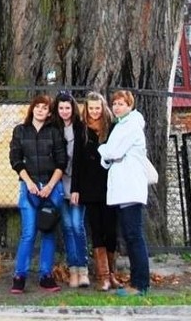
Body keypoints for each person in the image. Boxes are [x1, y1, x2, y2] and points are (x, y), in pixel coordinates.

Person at [8, 93, 67, 294]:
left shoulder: (54, 132)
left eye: (45, 108)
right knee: (29, 232)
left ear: (50, 112)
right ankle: (19, 276)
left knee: (48, 232)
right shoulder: (20, 131)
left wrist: (50, 186)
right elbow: (15, 159)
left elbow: (62, 162)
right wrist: (30, 183)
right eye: (38, 107)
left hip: (52, 188)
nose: (41, 110)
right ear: (33, 108)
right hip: (29, 187)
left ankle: (46, 276)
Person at [98, 88, 151, 296]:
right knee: (130, 236)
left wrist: (103, 150)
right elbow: (110, 158)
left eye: (122, 103)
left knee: (134, 235)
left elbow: (112, 152)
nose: (117, 107)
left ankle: (140, 285)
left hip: (130, 187)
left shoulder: (131, 126)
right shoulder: (121, 125)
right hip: (123, 188)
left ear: (130, 105)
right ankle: (137, 281)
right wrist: (109, 154)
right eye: (115, 104)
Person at [77, 90, 120, 290]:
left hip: (111, 184)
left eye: (97, 108)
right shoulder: (82, 129)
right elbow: (77, 160)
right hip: (90, 186)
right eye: (91, 108)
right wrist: (76, 188)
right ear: (86, 109)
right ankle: (103, 276)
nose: (94, 112)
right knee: (96, 230)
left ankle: (112, 273)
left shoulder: (112, 127)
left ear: (103, 108)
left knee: (111, 230)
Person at [52, 89, 90, 287]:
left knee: (77, 226)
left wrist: (77, 188)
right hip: (59, 183)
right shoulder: (54, 129)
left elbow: (83, 161)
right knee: (66, 227)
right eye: (61, 108)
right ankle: (72, 269)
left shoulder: (80, 128)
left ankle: (83, 269)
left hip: (77, 185)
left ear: (73, 108)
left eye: (67, 107)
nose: (64, 111)